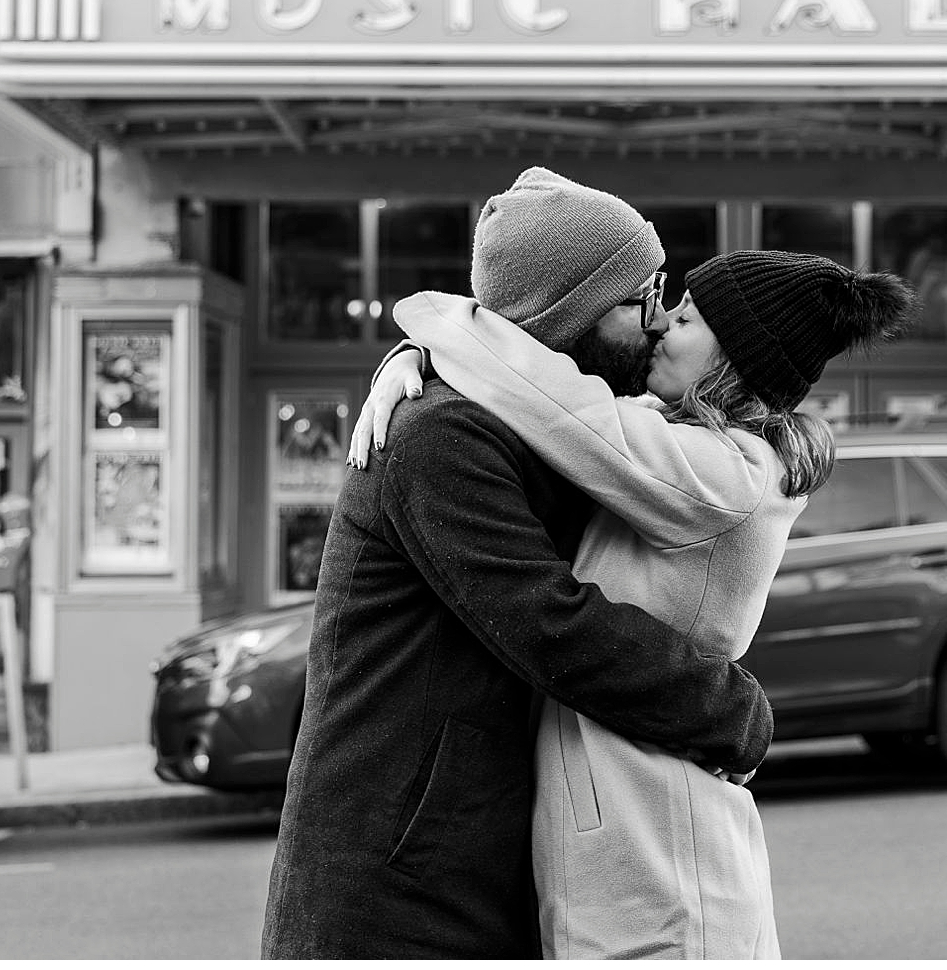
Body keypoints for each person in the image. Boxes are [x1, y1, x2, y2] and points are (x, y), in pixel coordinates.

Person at [260, 168, 776, 960]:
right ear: (572, 316)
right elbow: (543, 620)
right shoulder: (440, 438)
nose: (657, 323)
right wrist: (729, 710)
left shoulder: (544, 428)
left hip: (475, 858)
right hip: (392, 889)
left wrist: (420, 346)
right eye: (642, 301)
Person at [354, 249, 916, 958]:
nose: (661, 327)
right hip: (633, 845)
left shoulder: (722, 475)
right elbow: (542, 396)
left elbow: (552, 400)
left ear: (733, 359)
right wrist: (415, 360)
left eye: (686, 317)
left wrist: (434, 326)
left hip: (664, 872)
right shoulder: (682, 443)